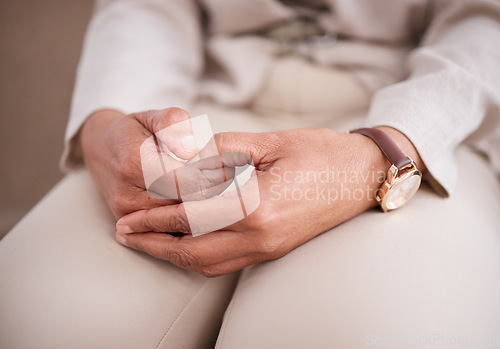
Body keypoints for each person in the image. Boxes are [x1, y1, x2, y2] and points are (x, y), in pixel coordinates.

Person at [1, 0, 500, 348]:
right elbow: (146, 7)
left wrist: (386, 150)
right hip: (198, 111)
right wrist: (107, 123)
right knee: (41, 320)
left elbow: (486, 20)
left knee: (355, 334)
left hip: (416, 110)